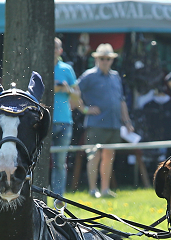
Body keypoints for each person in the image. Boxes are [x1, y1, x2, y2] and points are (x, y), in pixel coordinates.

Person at [77, 43, 134, 199]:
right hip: (96, 124)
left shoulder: (115, 76)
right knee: (94, 156)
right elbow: (74, 91)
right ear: (96, 59)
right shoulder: (89, 75)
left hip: (114, 123)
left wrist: (127, 121)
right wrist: (85, 109)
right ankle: (92, 189)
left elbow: (121, 101)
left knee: (109, 156)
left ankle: (104, 189)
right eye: (102, 58)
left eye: (108, 58)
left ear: (112, 60)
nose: (105, 61)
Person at [51, 37, 78, 197]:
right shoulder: (41, 66)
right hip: (44, 122)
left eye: (56, 47)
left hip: (65, 121)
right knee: (39, 162)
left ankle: (58, 198)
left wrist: (68, 90)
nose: (53, 50)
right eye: (51, 47)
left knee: (60, 163)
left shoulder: (67, 69)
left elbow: (77, 97)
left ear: (60, 50)